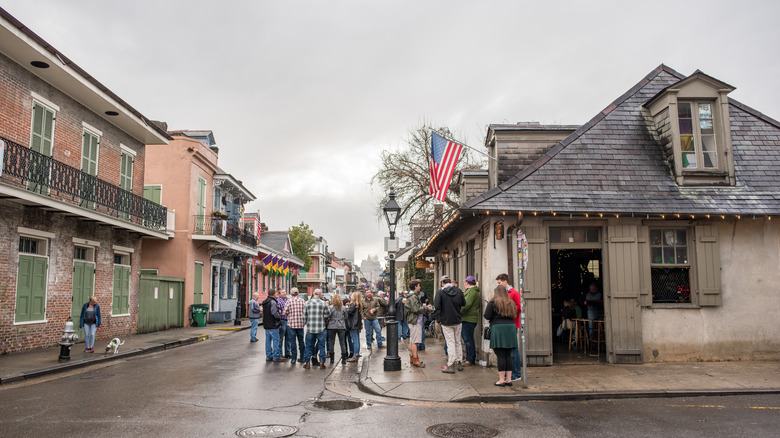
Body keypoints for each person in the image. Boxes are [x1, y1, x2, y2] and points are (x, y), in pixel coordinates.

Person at [484, 285, 518, 386]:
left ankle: (501, 380)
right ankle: (509, 379)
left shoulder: (493, 302)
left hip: (498, 328)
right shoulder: (510, 302)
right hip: (510, 327)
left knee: (500, 355)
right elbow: (515, 314)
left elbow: (487, 316)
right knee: (508, 354)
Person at [434, 275, 465, 373]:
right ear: (450, 282)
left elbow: (437, 306)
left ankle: (451, 365)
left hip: (446, 320)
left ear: (442, 282)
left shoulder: (440, 292)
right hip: (457, 319)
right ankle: (459, 362)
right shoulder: (458, 291)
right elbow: (464, 303)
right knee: (458, 342)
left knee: (450, 342)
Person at [496, 273, 523, 381]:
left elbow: (518, 308)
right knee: (509, 350)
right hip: (506, 324)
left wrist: (507, 308)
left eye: (499, 283)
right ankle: (510, 373)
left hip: (513, 323)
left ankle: (516, 373)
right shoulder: (503, 293)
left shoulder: (514, 293)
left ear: (505, 282)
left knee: (513, 350)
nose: (499, 285)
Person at [404, 279, 431, 367]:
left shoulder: (412, 296)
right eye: (419, 286)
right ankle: (416, 360)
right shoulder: (413, 296)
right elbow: (415, 309)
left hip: (413, 320)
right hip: (415, 321)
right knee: (415, 341)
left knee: (412, 340)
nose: (420, 287)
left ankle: (412, 358)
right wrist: (426, 308)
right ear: (415, 287)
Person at [303, 288, 328, 369]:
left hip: (310, 328)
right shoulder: (323, 303)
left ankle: (307, 362)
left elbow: (304, 316)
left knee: (308, 345)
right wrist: (322, 318)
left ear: (313, 294)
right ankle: (322, 362)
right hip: (321, 327)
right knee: (321, 345)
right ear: (320, 295)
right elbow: (328, 314)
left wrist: (306, 323)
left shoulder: (307, 303)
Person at [460, 276, 480, 366]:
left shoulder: (471, 291)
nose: (464, 284)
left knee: (468, 340)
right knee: (468, 339)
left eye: (465, 282)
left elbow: (466, 305)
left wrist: (458, 312)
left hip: (468, 318)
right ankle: (469, 358)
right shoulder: (471, 291)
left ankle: (470, 359)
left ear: (467, 283)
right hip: (468, 318)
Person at [262, 289, 286, 362]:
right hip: (273, 324)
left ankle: (268, 356)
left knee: (268, 341)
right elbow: (274, 313)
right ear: (274, 294)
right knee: (276, 340)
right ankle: (276, 356)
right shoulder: (273, 302)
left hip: (266, 324)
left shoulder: (265, 302)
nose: (277, 294)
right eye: (276, 293)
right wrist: (279, 318)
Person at [283, 288, 306, 363]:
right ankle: (302, 357)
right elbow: (306, 312)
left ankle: (293, 358)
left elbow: (284, 312)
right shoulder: (303, 301)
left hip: (291, 325)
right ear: (298, 293)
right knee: (301, 342)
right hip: (300, 325)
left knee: (292, 342)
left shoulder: (289, 301)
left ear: (292, 294)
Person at [327, 294, 349, 365]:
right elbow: (346, 316)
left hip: (332, 326)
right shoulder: (343, 308)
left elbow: (328, 316)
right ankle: (343, 359)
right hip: (341, 326)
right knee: (342, 342)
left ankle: (332, 359)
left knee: (331, 342)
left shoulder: (330, 308)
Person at [346, 292, 364, 362]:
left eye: (352, 296)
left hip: (353, 324)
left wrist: (346, 308)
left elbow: (349, 312)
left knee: (355, 340)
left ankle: (355, 355)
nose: (351, 297)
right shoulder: (359, 304)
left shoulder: (353, 304)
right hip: (357, 324)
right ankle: (357, 353)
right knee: (357, 339)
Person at [277, 289, 291, 358]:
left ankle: (287, 353)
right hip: (282, 321)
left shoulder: (289, 299)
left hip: (288, 320)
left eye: (285, 292)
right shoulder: (278, 301)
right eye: (283, 292)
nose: (284, 293)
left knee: (288, 338)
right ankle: (280, 353)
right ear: (279, 294)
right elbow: (278, 312)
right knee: (280, 338)